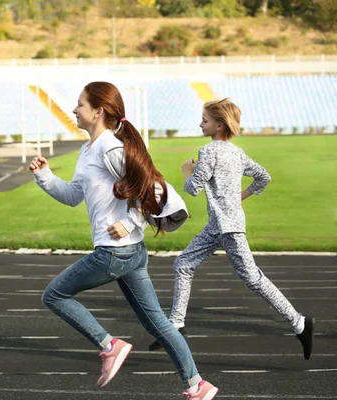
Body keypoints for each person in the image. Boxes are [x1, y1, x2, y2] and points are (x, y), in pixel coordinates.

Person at [29, 81, 218, 399]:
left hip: (115, 252)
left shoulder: (111, 148)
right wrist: (45, 176)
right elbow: (74, 195)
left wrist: (131, 221)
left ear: (98, 111)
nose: (74, 109)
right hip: (129, 254)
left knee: (55, 296)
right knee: (158, 323)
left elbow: (155, 189)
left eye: (80, 104)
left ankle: (109, 345)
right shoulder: (89, 149)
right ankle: (197, 385)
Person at [147, 98, 314, 361]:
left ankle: (300, 323)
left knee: (253, 279)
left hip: (228, 228)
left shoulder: (209, 151)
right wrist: (238, 198)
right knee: (183, 264)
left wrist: (186, 171)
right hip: (218, 226)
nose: (200, 124)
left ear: (219, 125)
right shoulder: (237, 153)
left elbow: (193, 188)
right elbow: (264, 176)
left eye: (204, 120)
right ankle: (176, 325)